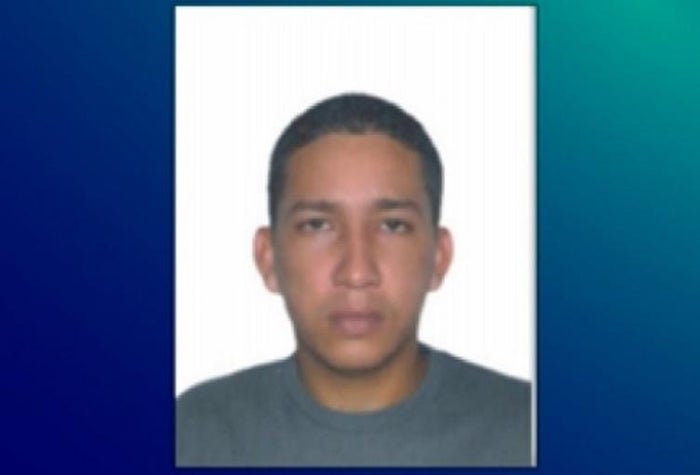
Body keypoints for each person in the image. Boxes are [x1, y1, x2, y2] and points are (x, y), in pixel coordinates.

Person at [176, 93, 531, 467]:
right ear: (269, 258)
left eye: (392, 226)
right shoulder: (190, 434)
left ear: (438, 257)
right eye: (317, 225)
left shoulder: (529, 431)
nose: (357, 273)